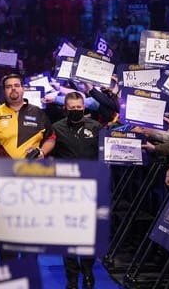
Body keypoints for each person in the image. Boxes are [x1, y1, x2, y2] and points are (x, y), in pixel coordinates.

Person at [0, 73, 55, 262]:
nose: (13, 89)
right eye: (9, 86)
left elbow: (51, 138)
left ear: (23, 88)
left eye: (17, 85)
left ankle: (29, 272)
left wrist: (42, 152)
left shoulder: (38, 113)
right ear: (4, 91)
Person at [51, 92, 101, 289]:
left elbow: (105, 155)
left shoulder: (96, 127)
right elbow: (49, 156)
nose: (76, 111)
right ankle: (71, 277)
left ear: (84, 107)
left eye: (79, 108)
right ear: (65, 108)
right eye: (72, 108)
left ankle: (88, 271)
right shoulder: (56, 128)